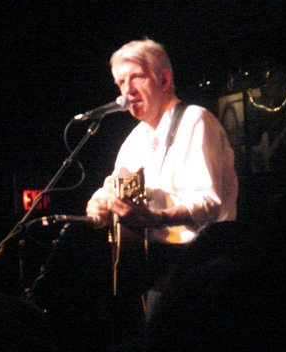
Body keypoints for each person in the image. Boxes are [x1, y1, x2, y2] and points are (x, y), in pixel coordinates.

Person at [85, 38, 238, 347]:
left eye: (134, 77)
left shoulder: (195, 120)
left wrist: (156, 218)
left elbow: (208, 203)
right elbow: (114, 183)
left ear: (164, 78)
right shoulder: (137, 138)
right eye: (120, 82)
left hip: (198, 267)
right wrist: (99, 205)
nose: (125, 91)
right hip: (156, 269)